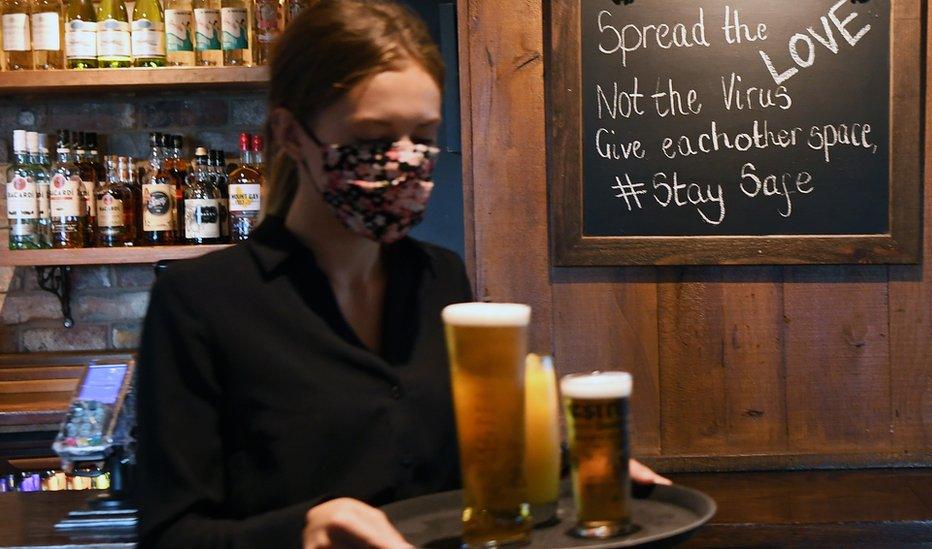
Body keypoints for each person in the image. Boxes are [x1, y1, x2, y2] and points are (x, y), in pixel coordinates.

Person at [136, 1, 669, 548]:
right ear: (291, 135)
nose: (405, 159)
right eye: (373, 135)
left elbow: (470, 457)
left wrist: (570, 472)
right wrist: (302, 530)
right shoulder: (201, 302)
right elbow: (169, 535)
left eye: (424, 135)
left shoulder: (440, 279)